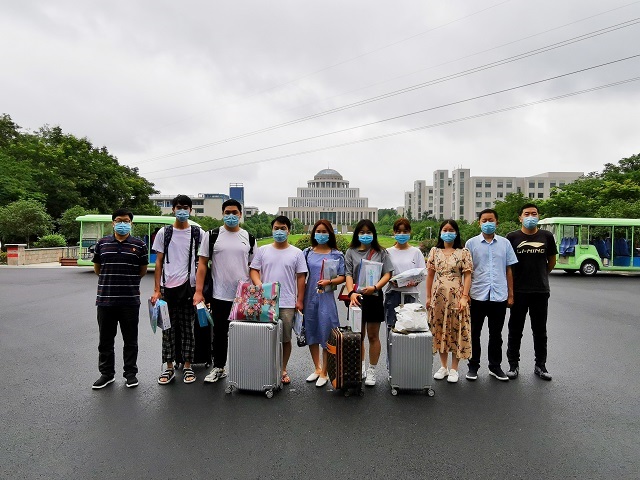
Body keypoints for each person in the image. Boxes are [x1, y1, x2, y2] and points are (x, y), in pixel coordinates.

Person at [193, 199, 255, 383]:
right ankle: (219, 367)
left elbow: (254, 267)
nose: (231, 216)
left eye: (234, 212)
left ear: (240, 214)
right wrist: (198, 291)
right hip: (219, 294)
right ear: (222, 214)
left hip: (243, 296)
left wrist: (257, 291)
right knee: (219, 334)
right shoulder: (212, 235)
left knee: (244, 334)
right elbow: (202, 265)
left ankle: (245, 370)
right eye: (227, 212)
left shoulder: (249, 238)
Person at [91, 208, 148, 389]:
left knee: (130, 340)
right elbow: (98, 268)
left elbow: (142, 271)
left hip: (130, 301)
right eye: (118, 220)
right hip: (105, 300)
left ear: (131, 223)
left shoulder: (140, 245)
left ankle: (130, 374)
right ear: (113, 223)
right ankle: (106, 374)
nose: (122, 224)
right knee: (105, 341)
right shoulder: (102, 243)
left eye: (126, 221)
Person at [151, 195, 204, 385]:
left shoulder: (198, 233)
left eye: (186, 208)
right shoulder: (164, 233)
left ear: (191, 210)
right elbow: (158, 262)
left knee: (188, 329)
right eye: (179, 207)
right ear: (173, 209)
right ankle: (169, 367)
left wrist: (200, 291)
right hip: (167, 289)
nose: (182, 211)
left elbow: (204, 261)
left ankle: (188, 365)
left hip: (189, 288)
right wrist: (157, 290)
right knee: (168, 329)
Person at [250, 215, 307, 385]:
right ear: (272, 229)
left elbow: (301, 278)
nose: (279, 231)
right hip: (265, 302)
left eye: (283, 228)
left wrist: (300, 300)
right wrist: (261, 287)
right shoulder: (263, 250)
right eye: (276, 228)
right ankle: (266, 368)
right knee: (264, 337)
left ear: (289, 231)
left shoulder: (296, 253)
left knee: (285, 338)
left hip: (287, 303)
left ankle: (283, 369)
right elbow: (254, 270)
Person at [464, 209, 518, 382]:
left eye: (491, 220)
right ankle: (473, 366)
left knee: (496, 334)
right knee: (474, 333)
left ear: (497, 222)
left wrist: (511, 294)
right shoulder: (471, 243)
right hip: (477, 295)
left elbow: (509, 269)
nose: (488, 223)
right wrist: (465, 294)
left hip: (499, 296)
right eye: (484, 220)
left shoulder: (505, 243)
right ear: (479, 223)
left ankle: (495, 367)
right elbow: (466, 271)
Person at [505, 203, 557, 381]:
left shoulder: (546, 236)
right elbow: (508, 265)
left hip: (540, 291)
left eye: (534, 214)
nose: (530, 217)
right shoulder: (512, 237)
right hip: (518, 291)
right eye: (526, 214)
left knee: (540, 331)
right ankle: (513, 365)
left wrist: (541, 275)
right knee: (515, 330)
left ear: (538, 216)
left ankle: (540, 365)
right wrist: (510, 292)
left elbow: (551, 261)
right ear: (520, 217)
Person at [345, 219, 393, 387]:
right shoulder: (350, 252)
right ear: (357, 234)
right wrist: (351, 293)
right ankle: (361, 366)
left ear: (374, 234)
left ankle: (372, 370)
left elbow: (387, 274)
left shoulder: (381, 252)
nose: (365, 235)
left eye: (368, 232)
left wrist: (375, 287)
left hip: (374, 297)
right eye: (362, 232)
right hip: (356, 298)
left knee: (373, 336)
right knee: (358, 336)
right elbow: (348, 274)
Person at [426, 219, 472, 384]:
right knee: (440, 329)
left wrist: (465, 297)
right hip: (438, 296)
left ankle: (454, 368)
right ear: (440, 232)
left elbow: (467, 275)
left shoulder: (463, 252)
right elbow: (430, 275)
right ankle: (443, 366)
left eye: (451, 230)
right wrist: (428, 297)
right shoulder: (434, 251)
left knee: (455, 328)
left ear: (456, 232)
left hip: (457, 295)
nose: (448, 233)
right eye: (445, 230)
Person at [302, 219, 345, 387]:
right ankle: (317, 368)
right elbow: (300, 275)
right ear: (314, 233)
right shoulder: (307, 253)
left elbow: (342, 276)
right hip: (309, 297)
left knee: (327, 332)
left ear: (330, 234)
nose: (321, 234)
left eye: (324, 231)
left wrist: (329, 281)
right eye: (318, 231)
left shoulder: (336, 254)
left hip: (326, 298)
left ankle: (325, 372)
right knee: (311, 331)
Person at [384, 218, 426, 328]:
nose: (402, 234)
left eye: (405, 231)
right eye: (398, 231)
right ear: (394, 232)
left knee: (411, 328)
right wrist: (392, 280)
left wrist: (414, 282)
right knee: (392, 328)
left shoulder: (416, 252)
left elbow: (422, 273)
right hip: (393, 295)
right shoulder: (388, 252)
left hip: (411, 295)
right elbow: (384, 273)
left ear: (409, 232)